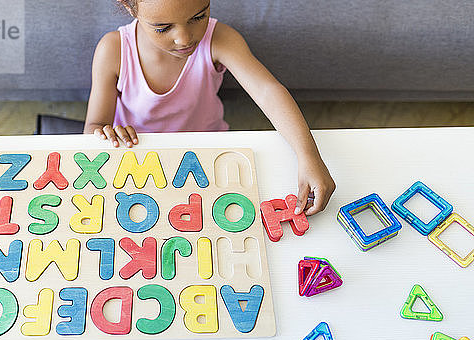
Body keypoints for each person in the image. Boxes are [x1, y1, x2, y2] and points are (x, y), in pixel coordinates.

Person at [83, 0, 335, 215]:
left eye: (199, 16)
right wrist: (104, 134)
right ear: (130, 8)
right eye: (163, 28)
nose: (184, 38)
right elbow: (92, 128)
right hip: (135, 161)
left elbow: (267, 91)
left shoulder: (220, 39)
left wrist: (308, 156)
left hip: (207, 155)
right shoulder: (113, 49)